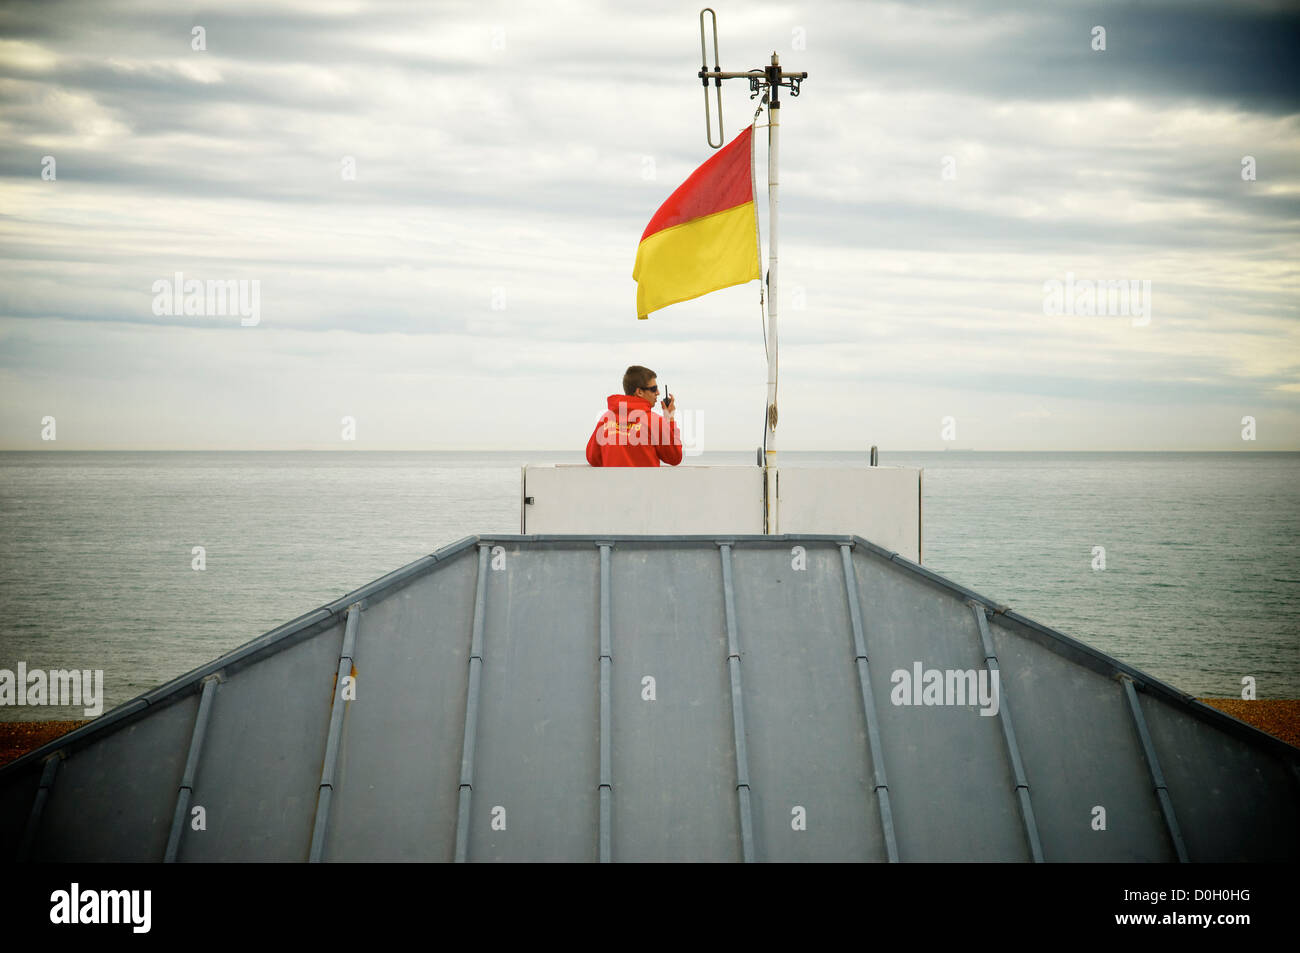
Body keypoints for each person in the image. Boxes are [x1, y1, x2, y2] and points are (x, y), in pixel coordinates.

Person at [585, 365, 683, 467]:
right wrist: (669, 419)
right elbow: (674, 457)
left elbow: (593, 458)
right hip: (646, 483)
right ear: (639, 392)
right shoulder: (654, 421)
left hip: (613, 483)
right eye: (654, 389)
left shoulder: (606, 419)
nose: (658, 393)